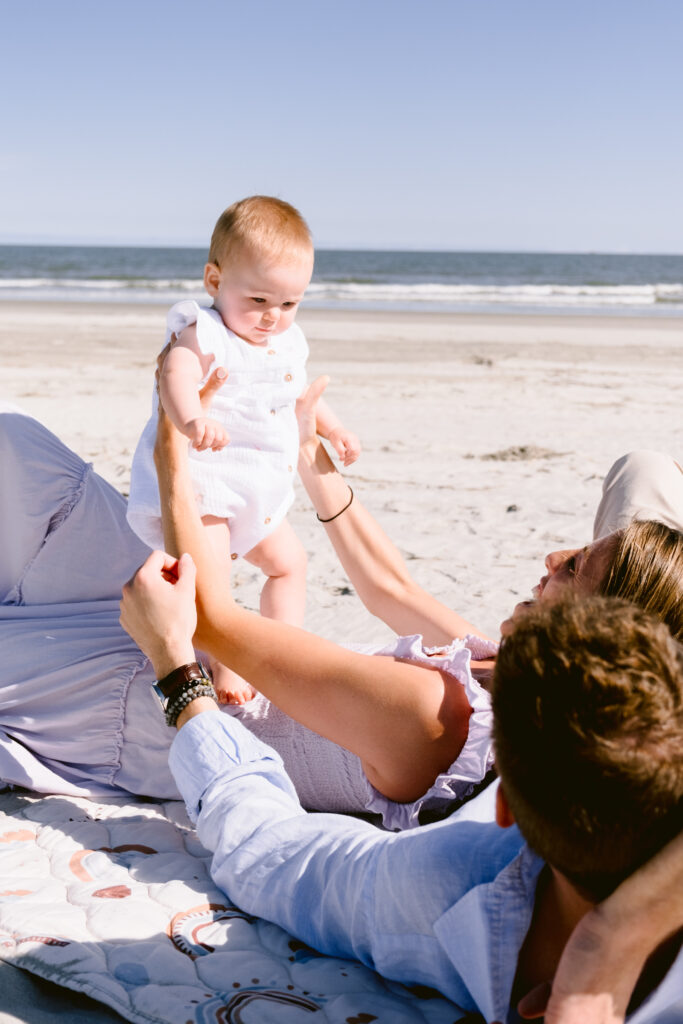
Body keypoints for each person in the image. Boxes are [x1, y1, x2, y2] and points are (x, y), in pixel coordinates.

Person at [1, 392, 683, 822]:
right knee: (19, 447)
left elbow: (211, 619)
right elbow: (393, 591)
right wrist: (306, 453)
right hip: (188, 630)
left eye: (573, 568)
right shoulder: (505, 671)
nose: (550, 558)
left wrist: (173, 448)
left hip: (155, 697)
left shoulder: (441, 719)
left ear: (592, 634)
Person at [119, 559, 683, 1022]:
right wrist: (609, 941)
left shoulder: (445, 884)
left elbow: (266, 852)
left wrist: (176, 669)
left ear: (504, 802)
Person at [127, 196, 360, 703]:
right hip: (205, 488)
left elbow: (299, 394)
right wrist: (192, 418)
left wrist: (335, 429)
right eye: (258, 301)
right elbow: (174, 373)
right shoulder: (203, 330)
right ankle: (228, 669)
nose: (273, 317)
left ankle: (283, 648)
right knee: (214, 589)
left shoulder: (286, 341)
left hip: (256, 487)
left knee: (289, 564)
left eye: (289, 303)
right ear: (215, 281)